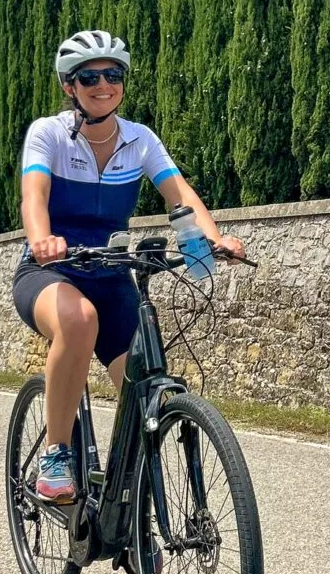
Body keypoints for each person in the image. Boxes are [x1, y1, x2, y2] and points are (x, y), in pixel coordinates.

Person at [15, 28, 245, 504]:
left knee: (148, 396)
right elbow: (33, 195)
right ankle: (56, 454)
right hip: (50, 271)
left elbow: (178, 194)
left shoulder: (139, 140)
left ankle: (135, 517)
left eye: (113, 74)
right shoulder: (49, 133)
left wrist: (215, 238)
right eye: (89, 76)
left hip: (110, 271)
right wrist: (42, 239)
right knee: (79, 320)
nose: (103, 84)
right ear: (69, 86)